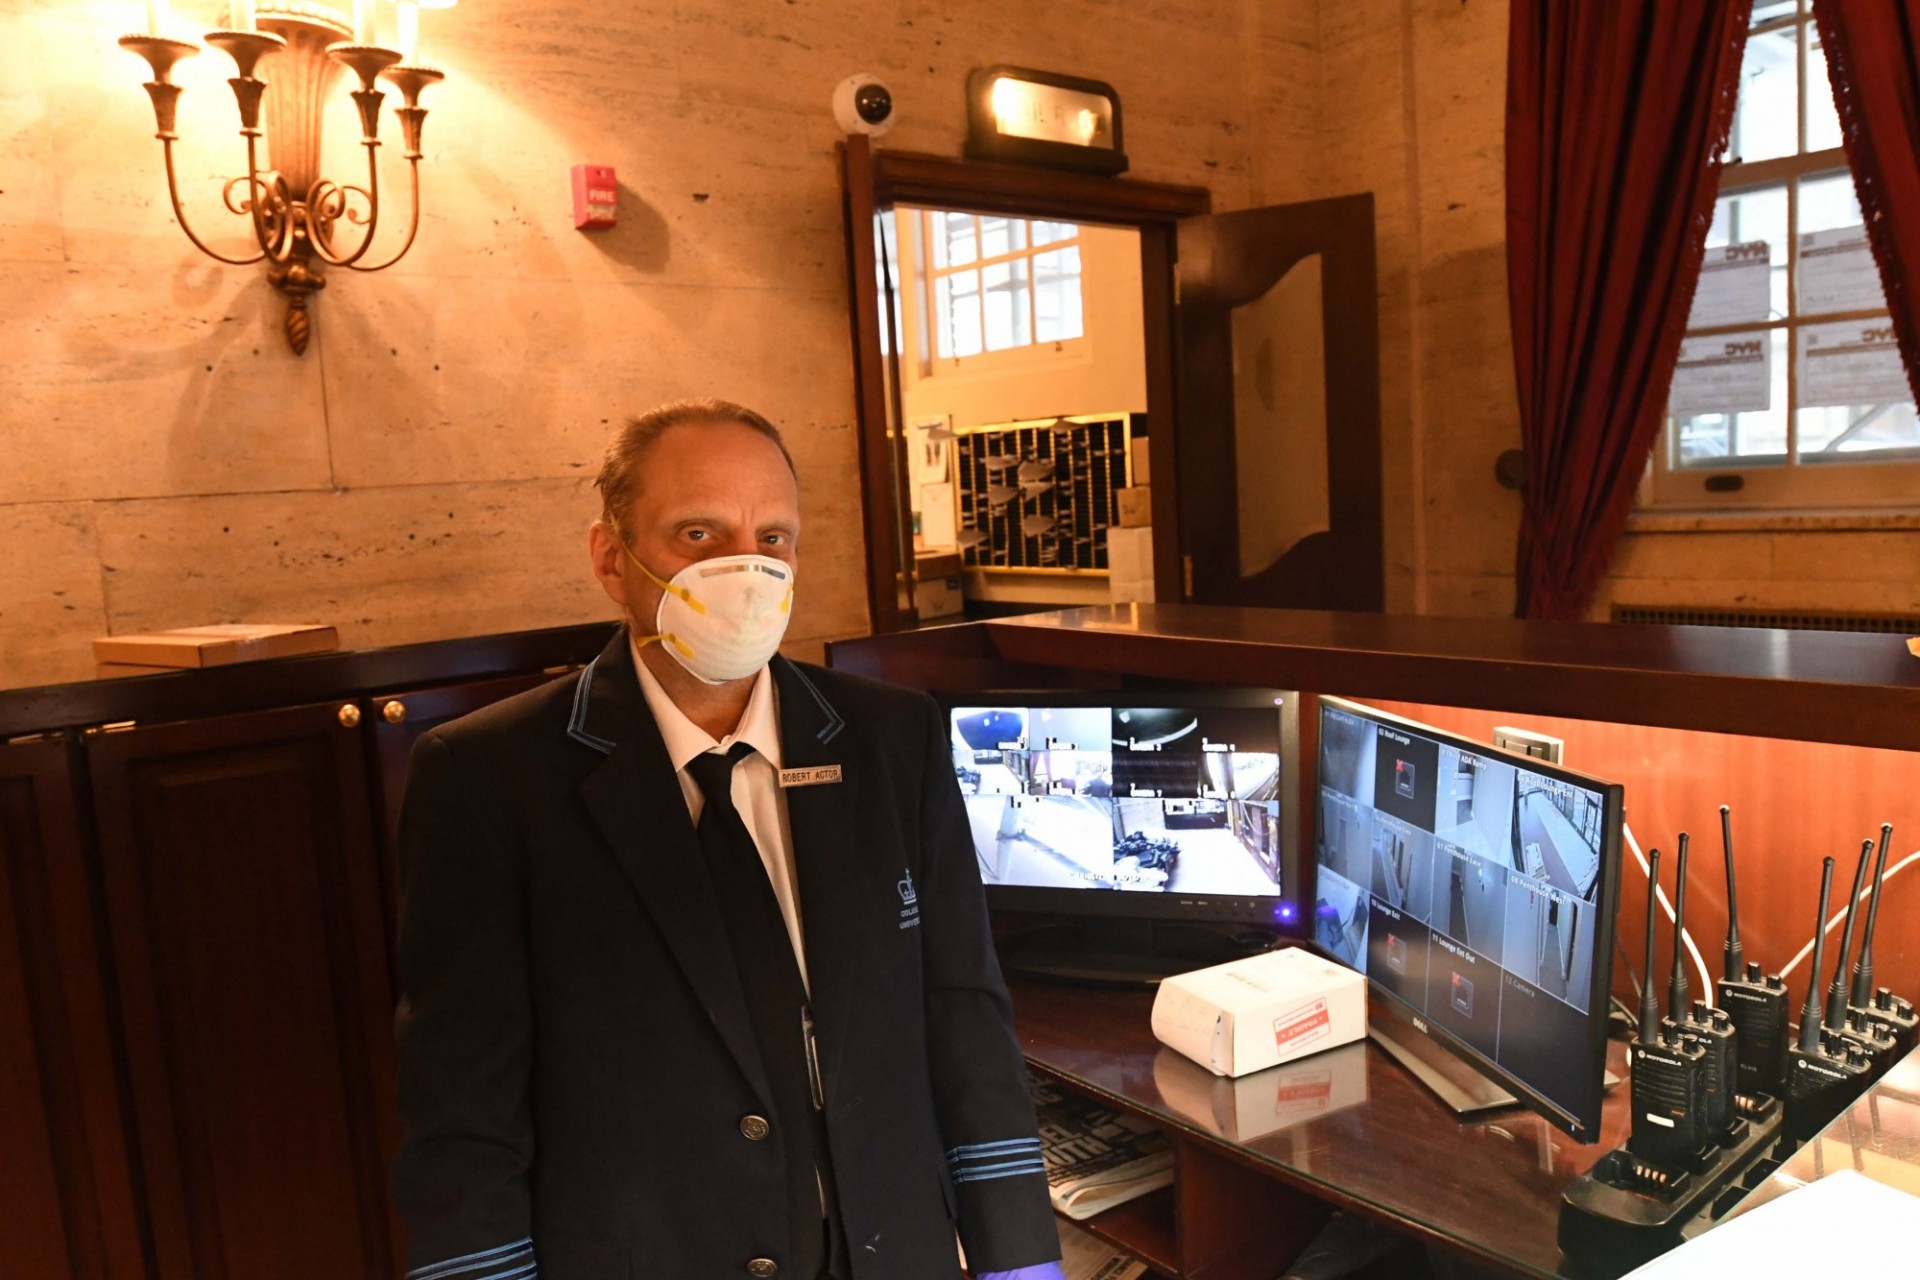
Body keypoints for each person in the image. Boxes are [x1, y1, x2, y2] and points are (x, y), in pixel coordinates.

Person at [392, 399, 1064, 1280]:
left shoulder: (892, 739)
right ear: (611, 559)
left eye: (772, 537)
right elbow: (462, 1107)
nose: (743, 568)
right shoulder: (489, 778)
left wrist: (1019, 1255)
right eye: (698, 533)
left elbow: (962, 1009)